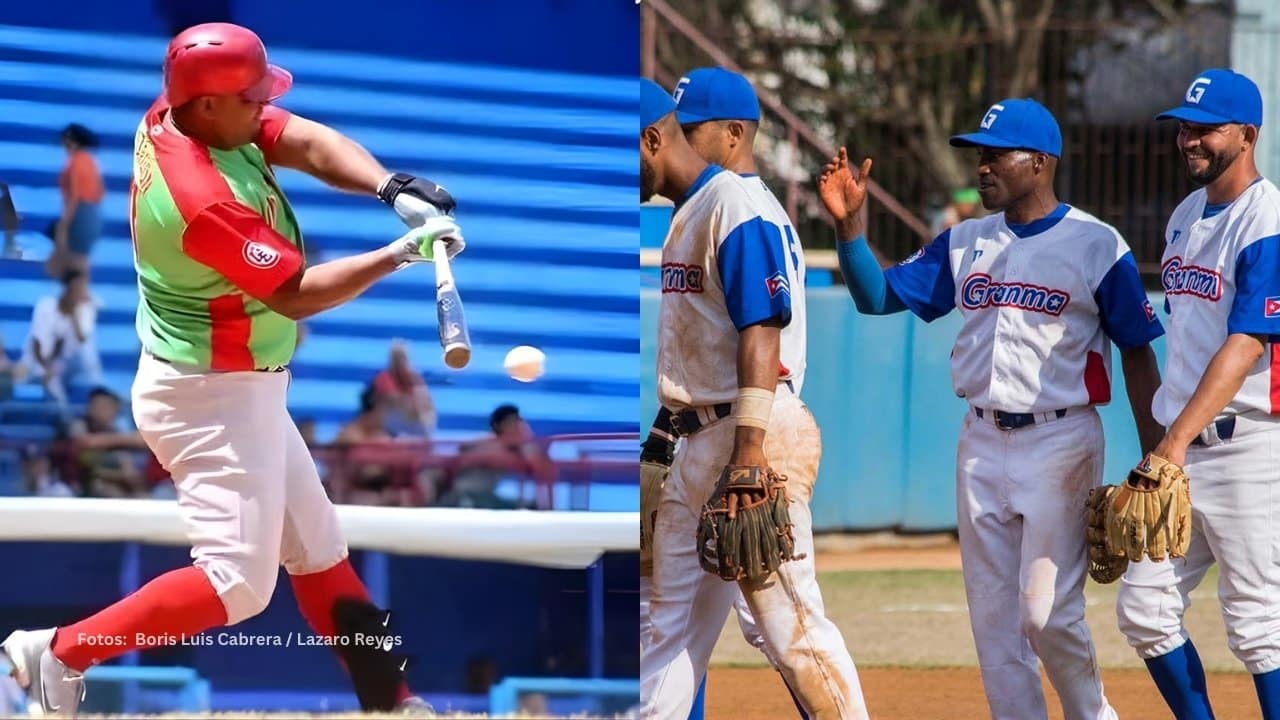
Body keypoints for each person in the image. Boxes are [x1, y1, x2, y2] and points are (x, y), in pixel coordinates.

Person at [0, 22, 463, 715]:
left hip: (237, 386)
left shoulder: (190, 113)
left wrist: (389, 186)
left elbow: (300, 137)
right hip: (206, 396)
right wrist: (400, 253)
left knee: (318, 548)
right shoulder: (196, 196)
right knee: (239, 585)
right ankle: (56, 652)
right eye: (251, 98)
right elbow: (294, 293)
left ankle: (392, 701)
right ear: (210, 104)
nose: (263, 109)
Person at [817, 99, 1165, 720]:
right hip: (979, 441)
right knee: (996, 626)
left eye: (996, 154)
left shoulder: (1094, 243)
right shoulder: (964, 241)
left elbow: (1138, 353)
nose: (982, 167)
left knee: (1046, 616)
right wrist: (849, 231)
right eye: (978, 155)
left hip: (1060, 441)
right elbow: (874, 298)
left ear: (1040, 161)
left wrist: (1157, 457)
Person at [638, 78, 868, 720]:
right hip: (703, 438)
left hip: (752, 437)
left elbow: (760, 330)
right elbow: (702, 344)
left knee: (790, 626)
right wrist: (668, 434)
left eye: (692, 124)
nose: (684, 132)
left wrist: (747, 453)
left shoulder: (736, 203)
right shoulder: (696, 207)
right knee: (666, 628)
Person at [1114, 68, 1280, 720]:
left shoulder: (1267, 219)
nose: (1190, 139)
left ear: (1247, 134)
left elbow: (1246, 345)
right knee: (1145, 609)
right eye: (1184, 128)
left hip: (1247, 448)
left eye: (1206, 128)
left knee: (1259, 625)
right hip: (1180, 454)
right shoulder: (1186, 214)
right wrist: (1165, 444)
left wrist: (1171, 443)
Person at [442, 404, 555, 509]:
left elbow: (545, 472)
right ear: (499, 426)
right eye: (512, 423)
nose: (518, 427)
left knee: (531, 506)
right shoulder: (487, 446)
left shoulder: (518, 448)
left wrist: (526, 443)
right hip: (464, 497)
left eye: (519, 422)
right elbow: (460, 461)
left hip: (480, 497)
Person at [16, 270, 101, 406]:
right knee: (28, 377)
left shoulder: (85, 310)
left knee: (84, 368)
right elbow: (36, 341)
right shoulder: (46, 305)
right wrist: (45, 368)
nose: (79, 291)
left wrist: (74, 315)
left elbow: (81, 339)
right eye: (75, 288)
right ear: (66, 288)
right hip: (38, 359)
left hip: (68, 364)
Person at [66, 387, 149, 498]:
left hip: (116, 480)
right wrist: (125, 439)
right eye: (99, 406)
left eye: (108, 407)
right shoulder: (79, 424)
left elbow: (128, 464)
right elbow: (85, 443)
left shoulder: (114, 430)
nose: (103, 410)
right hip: (81, 483)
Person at [50, 124, 104, 276]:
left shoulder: (75, 162)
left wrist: (64, 224)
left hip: (80, 213)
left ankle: (78, 294)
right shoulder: (90, 161)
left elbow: (73, 195)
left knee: (75, 260)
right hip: (92, 213)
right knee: (82, 259)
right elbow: (100, 192)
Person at [371, 340, 437, 437]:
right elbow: (394, 400)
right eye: (396, 358)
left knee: (424, 414)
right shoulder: (384, 378)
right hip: (392, 422)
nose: (400, 361)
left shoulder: (414, 378)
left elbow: (425, 403)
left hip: (414, 421)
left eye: (402, 357)